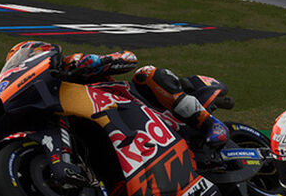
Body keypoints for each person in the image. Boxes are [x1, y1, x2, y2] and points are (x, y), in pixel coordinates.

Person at [55, 45, 231, 147]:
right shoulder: (49, 103)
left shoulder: (72, 65)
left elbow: (128, 58)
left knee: (146, 74)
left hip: (135, 104)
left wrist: (99, 61)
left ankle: (211, 123)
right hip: (126, 138)